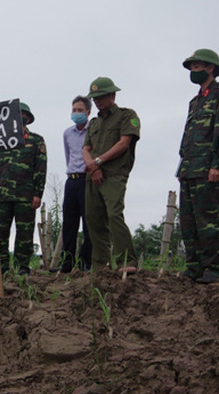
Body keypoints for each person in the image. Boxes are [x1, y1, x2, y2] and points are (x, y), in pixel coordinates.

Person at [177, 49, 219, 284]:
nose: (193, 71)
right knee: (188, 220)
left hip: (208, 168)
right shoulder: (195, 101)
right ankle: (194, 267)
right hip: (189, 168)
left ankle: (214, 269)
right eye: (191, 67)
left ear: (210, 68)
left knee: (209, 220)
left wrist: (217, 165)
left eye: (196, 66)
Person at [82, 77, 140, 272]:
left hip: (114, 174)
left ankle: (127, 262)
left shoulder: (127, 115)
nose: (96, 101)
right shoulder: (94, 123)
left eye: (100, 97)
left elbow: (124, 143)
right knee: (93, 218)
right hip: (93, 176)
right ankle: (100, 266)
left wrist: (98, 162)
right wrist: (92, 166)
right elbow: (86, 149)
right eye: (94, 98)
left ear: (112, 95)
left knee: (114, 215)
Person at [0, 102, 47, 275]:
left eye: (22, 114)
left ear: (28, 119)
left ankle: (22, 266)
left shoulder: (36, 141)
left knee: (24, 234)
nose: (19, 117)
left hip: (26, 195)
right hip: (3, 195)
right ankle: (1, 267)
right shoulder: (2, 140)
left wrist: (38, 194)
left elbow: (41, 168)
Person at [56, 95, 93, 273]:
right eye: (74, 110)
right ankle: (66, 264)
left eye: (80, 110)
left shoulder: (93, 131)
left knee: (89, 223)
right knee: (69, 224)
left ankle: (86, 263)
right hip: (72, 180)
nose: (76, 113)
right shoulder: (67, 133)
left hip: (88, 180)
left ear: (88, 112)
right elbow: (68, 156)